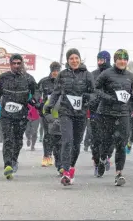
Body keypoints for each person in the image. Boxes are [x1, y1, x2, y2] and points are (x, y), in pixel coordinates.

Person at [44, 48, 94, 186]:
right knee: (67, 140)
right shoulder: (62, 75)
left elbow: (94, 94)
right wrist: (48, 106)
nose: (74, 60)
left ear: (80, 59)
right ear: (67, 61)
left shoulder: (87, 75)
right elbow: (56, 92)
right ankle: (65, 171)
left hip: (81, 114)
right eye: (71, 58)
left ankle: (71, 166)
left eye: (76, 58)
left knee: (76, 144)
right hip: (65, 112)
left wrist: (87, 97)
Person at [94, 49, 133, 185]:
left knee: (121, 143)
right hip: (106, 113)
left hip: (123, 113)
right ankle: (103, 159)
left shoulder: (129, 76)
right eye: (120, 59)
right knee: (106, 142)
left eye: (125, 59)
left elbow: (131, 93)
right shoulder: (106, 74)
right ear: (115, 60)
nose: (122, 61)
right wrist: (109, 98)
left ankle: (119, 174)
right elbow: (96, 89)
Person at [0, 54, 39, 180]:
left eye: (19, 63)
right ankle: (7, 165)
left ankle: (14, 159)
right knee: (7, 139)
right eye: (14, 63)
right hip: (6, 114)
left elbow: (36, 91)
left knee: (17, 140)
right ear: (10, 64)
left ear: (22, 64)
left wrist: (35, 99)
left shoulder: (28, 78)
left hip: (21, 114)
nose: (16, 65)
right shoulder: (4, 77)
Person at [89, 51, 114, 176]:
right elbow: (89, 90)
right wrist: (91, 100)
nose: (99, 62)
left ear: (107, 60)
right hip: (95, 111)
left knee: (109, 138)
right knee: (95, 139)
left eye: (102, 60)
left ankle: (106, 156)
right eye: (98, 59)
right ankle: (97, 162)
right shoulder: (93, 74)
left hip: (111, 111)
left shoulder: (113, 73)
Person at [38, 61, 62, 167]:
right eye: (53, 71)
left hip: (59, 113)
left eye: (57, 70)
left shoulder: (63, 82)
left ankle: (55, 156)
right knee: (47, 134)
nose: (55, 73)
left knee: (57, 135)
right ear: (50, 70)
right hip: (46, 113)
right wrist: (38, 104)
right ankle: (46, 156)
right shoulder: (44, 81)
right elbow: (36, 92)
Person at [43, 96, 63, 176]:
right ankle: (60, 166)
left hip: (67, 125)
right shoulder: (54, 97)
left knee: (66, 145)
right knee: (57, 146)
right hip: (55, 126)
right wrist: (53, 120)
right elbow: (45, 110)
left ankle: (64, 166)